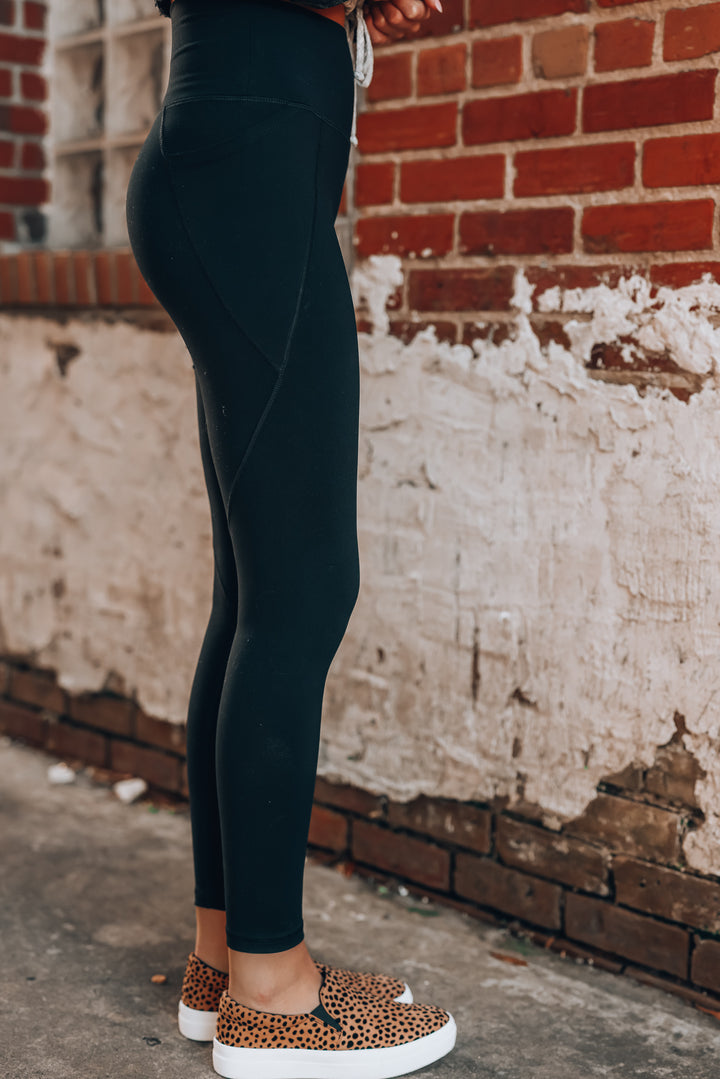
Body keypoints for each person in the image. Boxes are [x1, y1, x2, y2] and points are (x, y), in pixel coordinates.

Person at [125, 0, 456, 1075]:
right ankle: (271, 993)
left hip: (246, 155)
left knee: (261, 592)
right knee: (305, 589)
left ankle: (227, 957)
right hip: (249, 162)